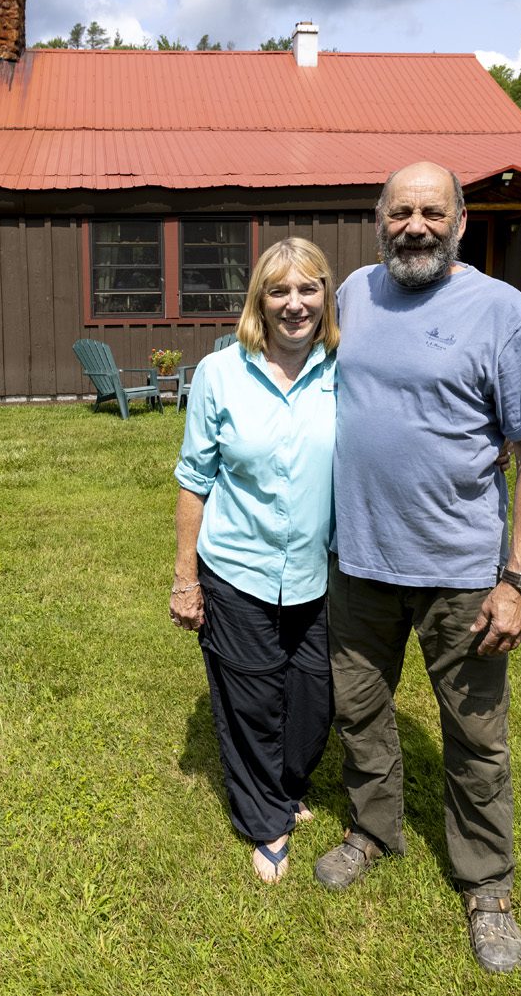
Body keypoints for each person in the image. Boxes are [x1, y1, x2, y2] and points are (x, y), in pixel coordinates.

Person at [314, 161, 521, 975]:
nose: (414, 225)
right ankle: (373, 829)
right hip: (360, 559)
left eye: (431, 211)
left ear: (459, 219)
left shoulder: (502, 311)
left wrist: (516, 578)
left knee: (476, 736)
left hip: (460, 570)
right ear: (377, 217)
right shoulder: (352, 293)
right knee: (359, 708)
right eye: (399, 211)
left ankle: (487, 884)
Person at [171, 237, 341, 884]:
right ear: (259, 301)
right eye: (279, 290)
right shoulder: (221, 373)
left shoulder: (341, 369)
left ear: (325, 296)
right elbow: (194, 479)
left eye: (308, 288)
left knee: (313, 699)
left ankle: (286, 780)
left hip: (315, 576)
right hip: (236, 570)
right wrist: (186, 578)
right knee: (251, 700)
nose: (294, 303)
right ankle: (265, 818)